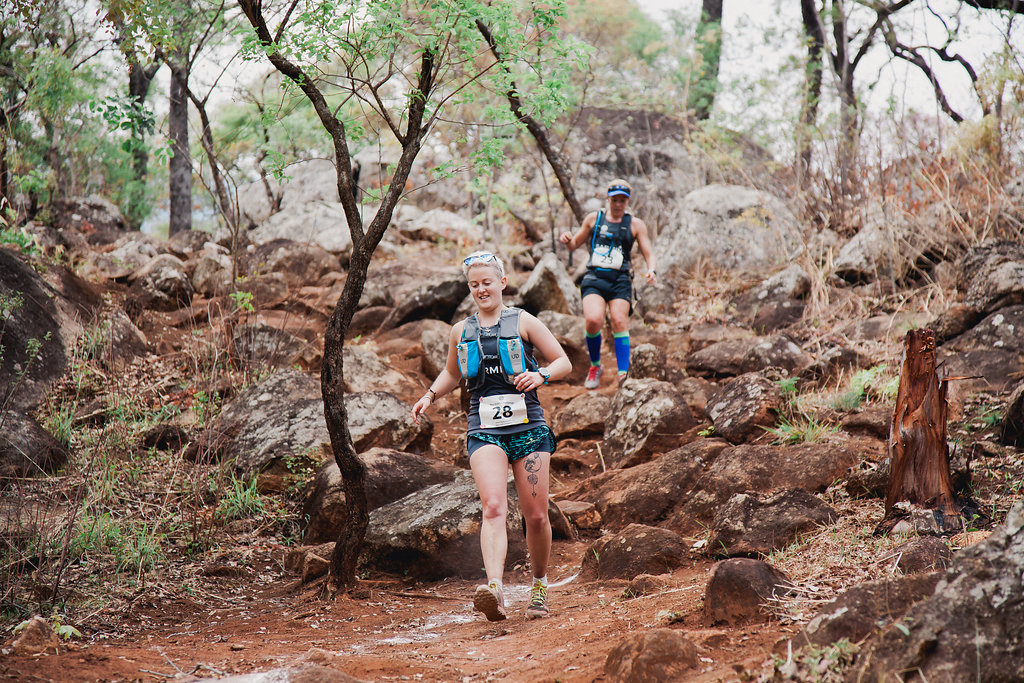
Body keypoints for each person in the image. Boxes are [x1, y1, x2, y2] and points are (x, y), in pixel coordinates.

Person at [412, 252, 572, 621]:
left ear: (502, 282)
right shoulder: (461, 330)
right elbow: (453, 373)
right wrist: (429, 395)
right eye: (474, 284)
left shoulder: (524, 321)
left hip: (529, 429)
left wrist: (541, 375)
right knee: (494, 508)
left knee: (535, 516)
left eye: (487, 282)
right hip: (484, 429)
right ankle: (495, 590)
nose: (481, 289)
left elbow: (563, 360)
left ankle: (539, 584)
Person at [559, 178, 657, 388]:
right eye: (615, 200)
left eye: (623, 200)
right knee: (593, 320)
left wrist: (651, 269)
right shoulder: (594, 219)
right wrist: (568, 240)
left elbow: (648, 251)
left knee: (619, 320)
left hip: (620, 279)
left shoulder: (635, 224)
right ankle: (595, 366)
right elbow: (575, 244)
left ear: (627, 201)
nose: (619, 204)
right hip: (595, 278)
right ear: (608, 198)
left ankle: (623, 373)